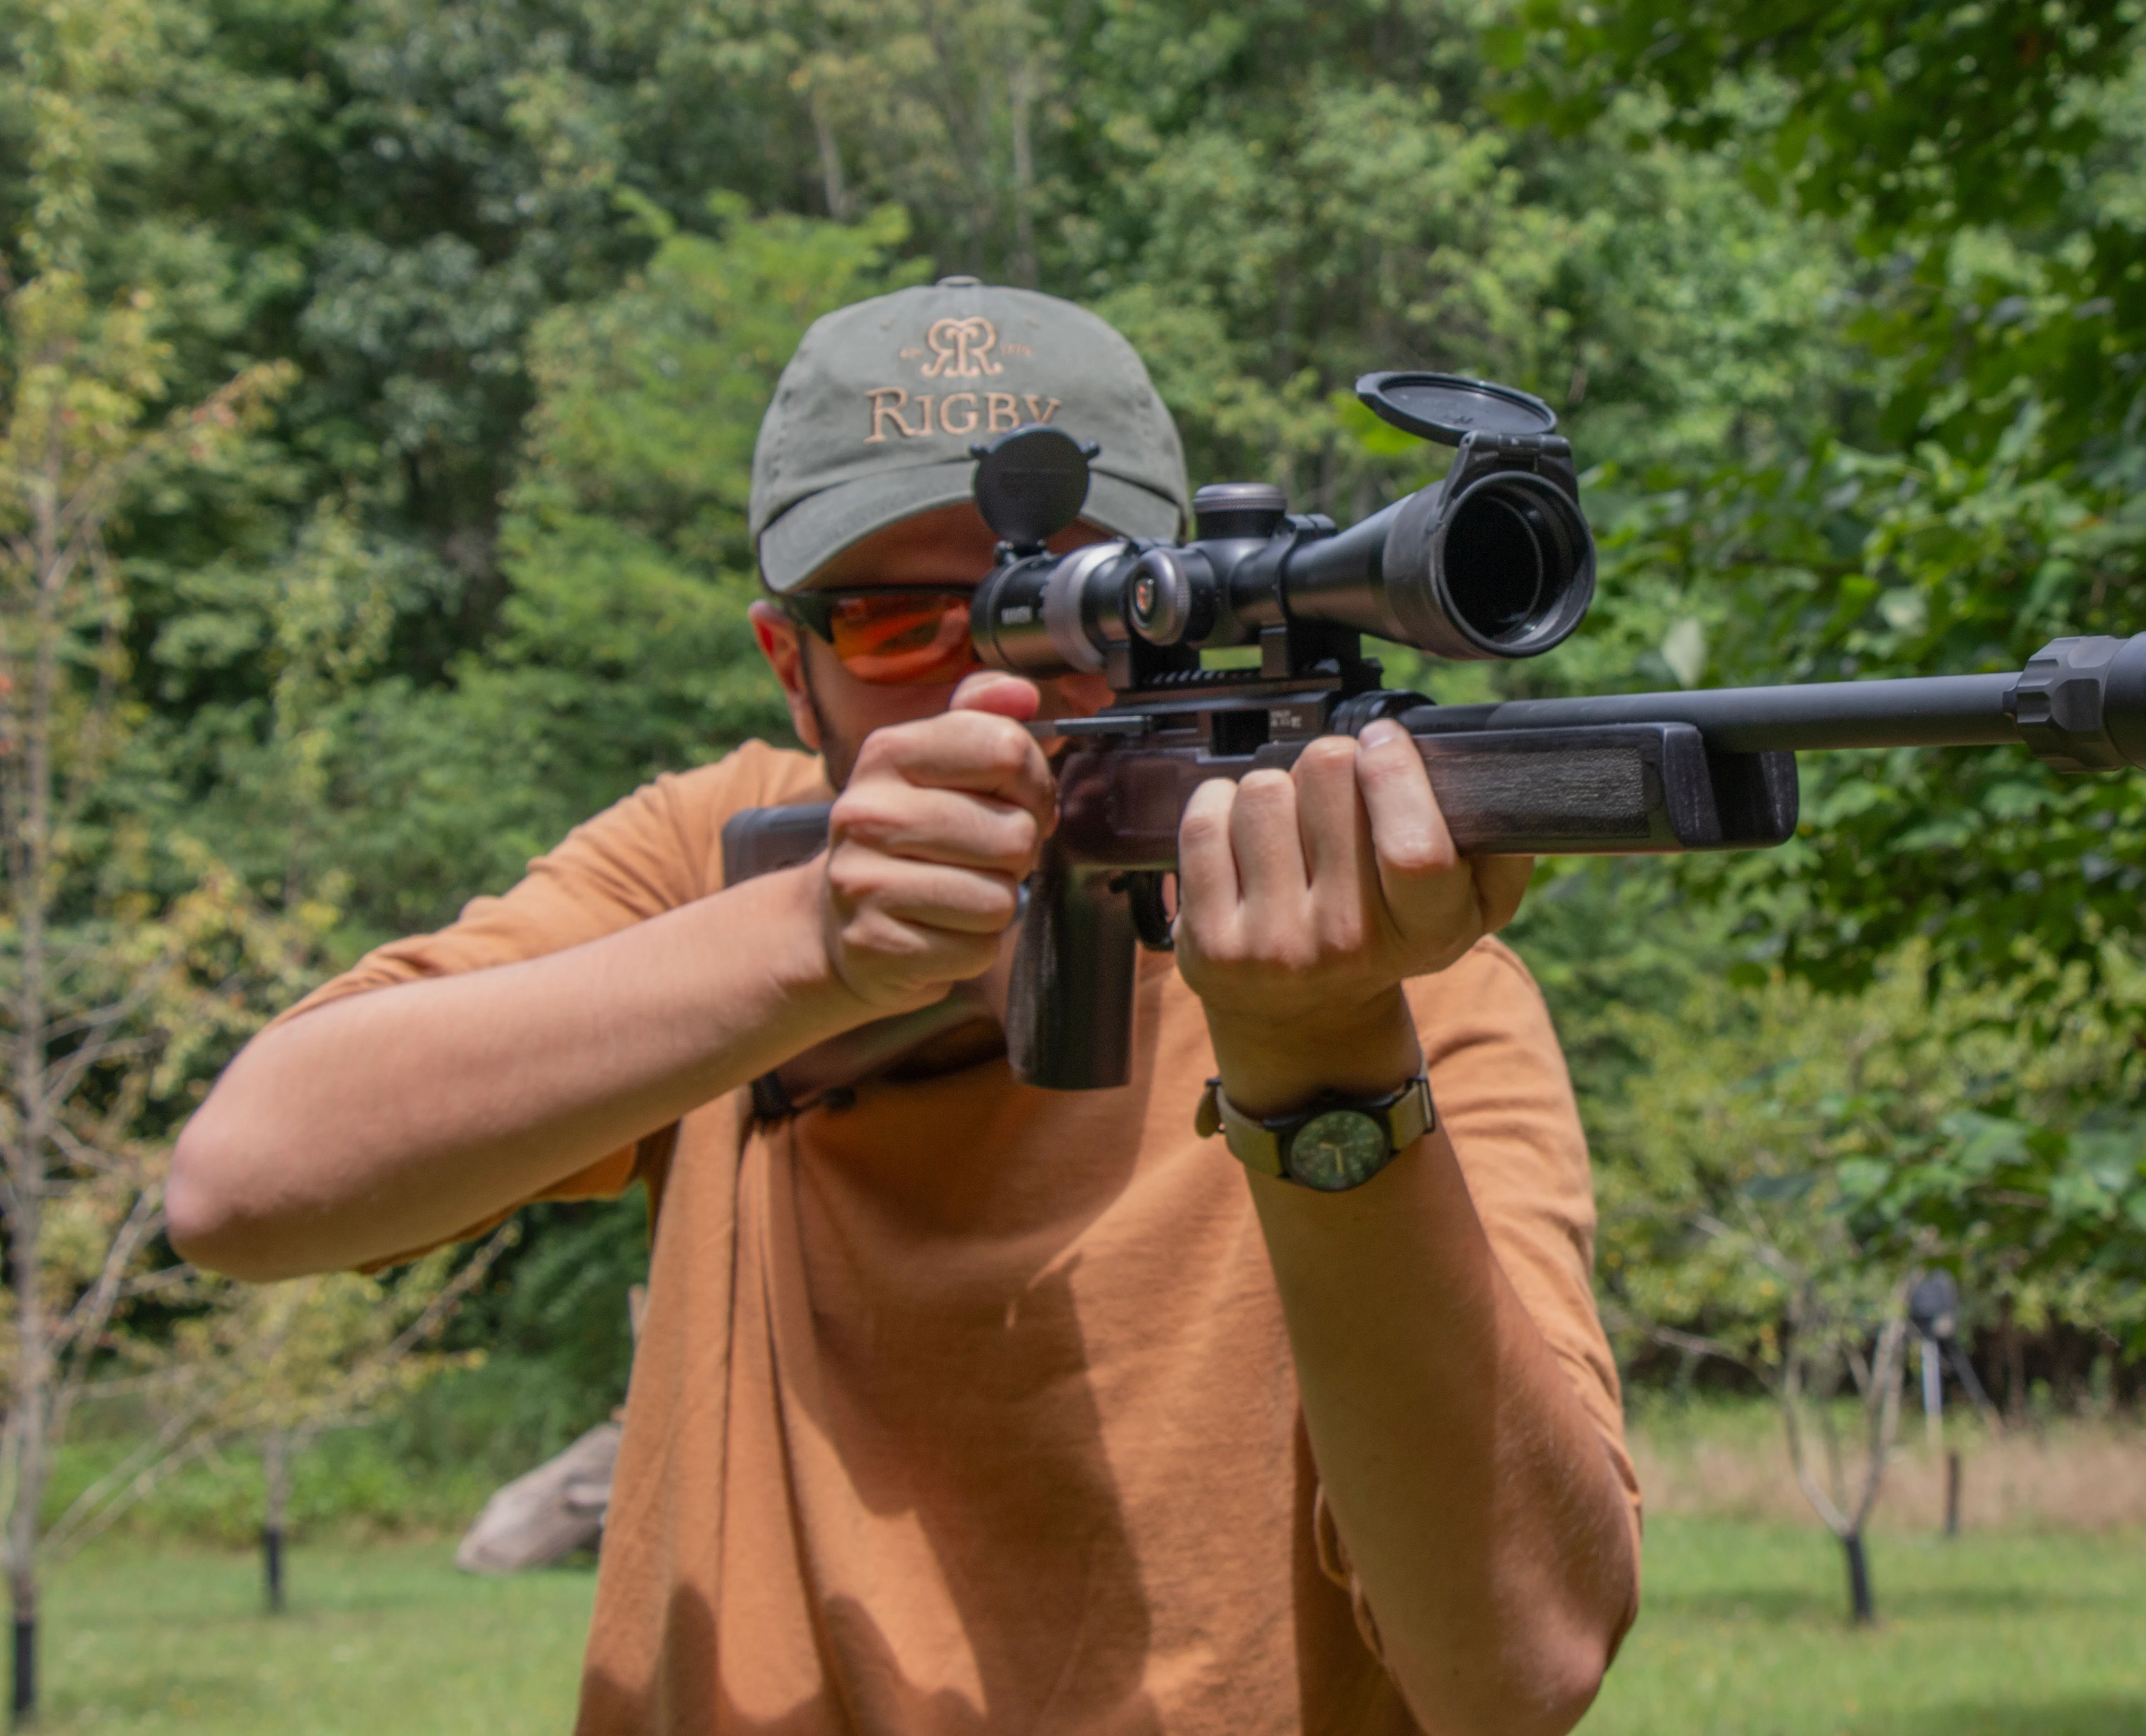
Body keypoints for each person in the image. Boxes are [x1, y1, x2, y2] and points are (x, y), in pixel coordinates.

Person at [166, 280, 1641, 1736]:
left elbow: (1521, 1668)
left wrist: (1321, 1060)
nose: (990, 678)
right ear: (790, 674)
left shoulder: (1396, 977)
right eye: (891, 624)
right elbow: (248, 1183)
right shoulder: (710, 865)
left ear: (1185, 611)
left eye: (1073, 608)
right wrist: (817, 947)